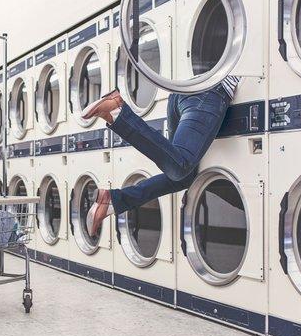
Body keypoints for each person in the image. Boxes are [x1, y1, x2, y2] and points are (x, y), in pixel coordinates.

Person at [82, 76, 241, 236]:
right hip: (210, 93)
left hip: (183, 93)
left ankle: (113, 201)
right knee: (180, 167)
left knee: (183, 176)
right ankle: (117, 112)